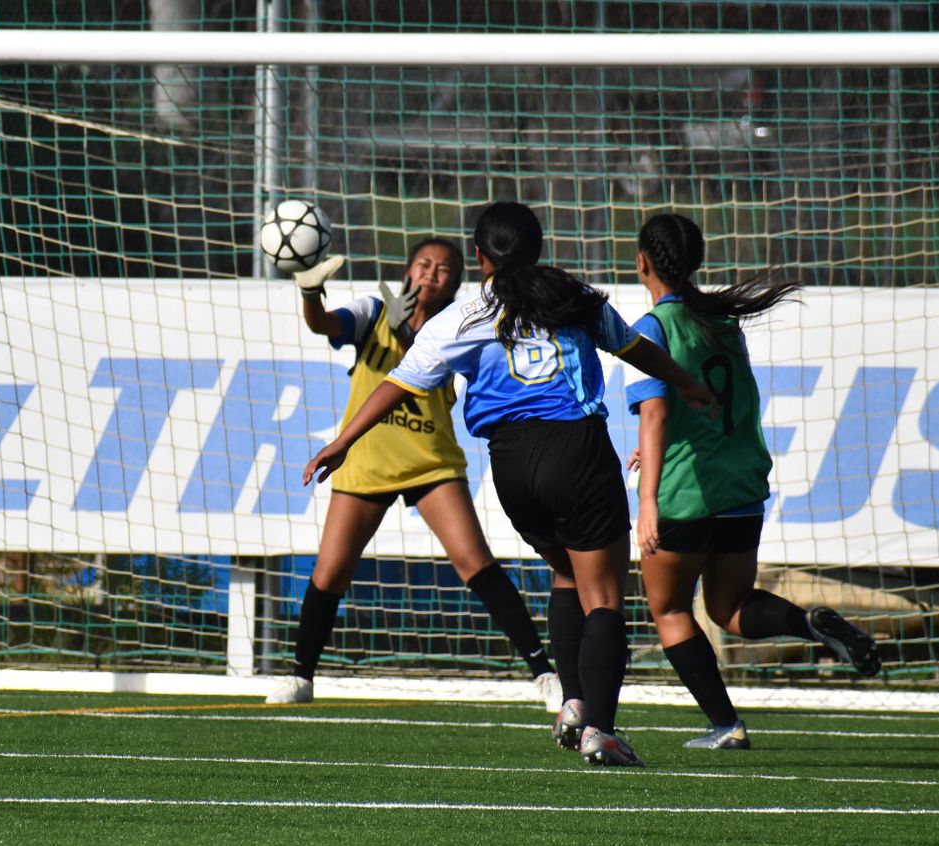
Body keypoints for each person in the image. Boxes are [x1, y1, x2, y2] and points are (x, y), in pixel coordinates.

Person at [303, 202, 716, 767]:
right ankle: (602, 730)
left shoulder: (461, 317)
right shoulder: (574, 296)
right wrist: (687, 382)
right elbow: (633, 348)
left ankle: (573, 701)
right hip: (576, 450)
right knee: (606, 599)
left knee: (567, 573)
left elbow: (399, 382)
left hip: (512, 467)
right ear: (538, 249)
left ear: (478, 256)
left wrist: (343, 440)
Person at [268, 237, 562, 712]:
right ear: (408, 270)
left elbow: (428, 367)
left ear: (458, 282)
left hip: (430, 457)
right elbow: (324, 323)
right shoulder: (373, 311)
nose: (431, 273)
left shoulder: (462, 322)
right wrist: (309, 292)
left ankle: (545, 675)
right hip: (367, 456)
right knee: (330, 571)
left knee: (476, 562)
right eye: (423, 264)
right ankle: (301, 676)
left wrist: (409, 333)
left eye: (443, 269)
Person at [626, 213, 881, 750]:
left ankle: (726, 725)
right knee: (729, 606)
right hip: (741, 484)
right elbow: (718, 406)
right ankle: (811, 624)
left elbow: (654, 416)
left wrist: (647, 500)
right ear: (695, 260)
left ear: (643, 261)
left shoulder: (653, 329)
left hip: (686, 491)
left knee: (670, 610)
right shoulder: (723, 322)